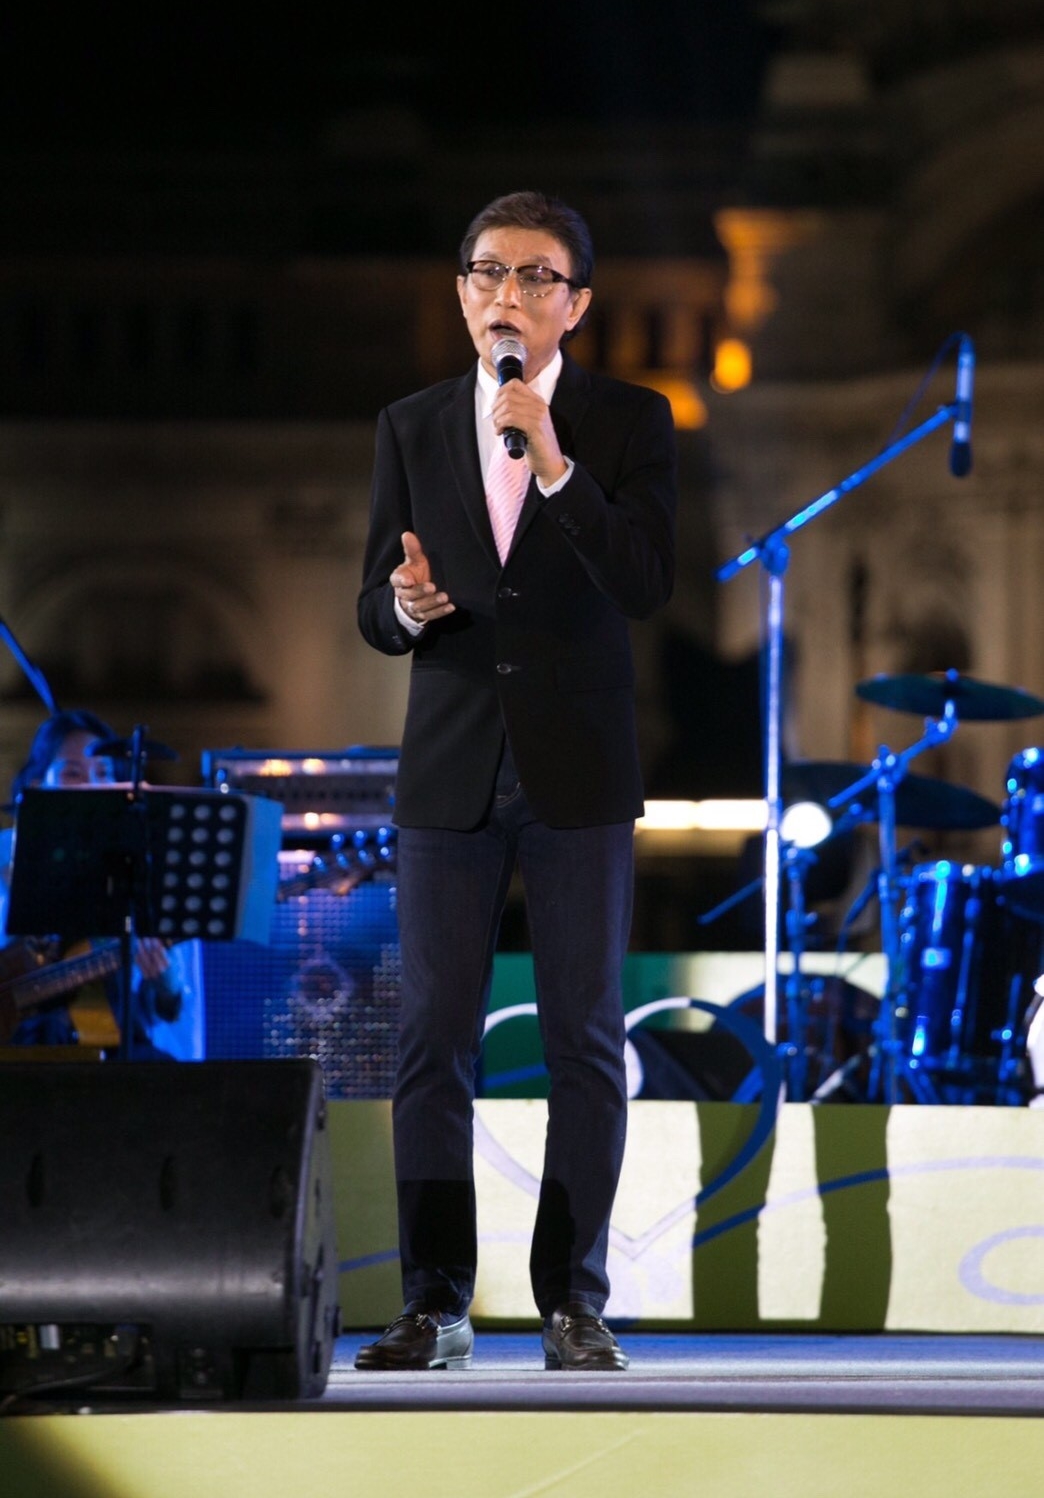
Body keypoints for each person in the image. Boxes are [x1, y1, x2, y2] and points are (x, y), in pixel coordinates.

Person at [355, 190, 677, 1370]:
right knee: (433, 1040)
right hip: (450, 767)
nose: (508, 293)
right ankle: (434, 1301)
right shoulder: (409, 424)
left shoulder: (630, 420)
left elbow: (645, 581)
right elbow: (371, 602)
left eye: (536, 275)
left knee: (583, 1038)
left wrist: (554, 466)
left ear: (575, 304)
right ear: (460, 294)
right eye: (489, 271)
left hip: (577, 766)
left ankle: (571, 1300)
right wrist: (403, 605)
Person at [0, 709, 204, 1061]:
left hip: (118, 1050)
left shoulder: (137, 867)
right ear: (36, 783)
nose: (90, 786)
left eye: (102, 773)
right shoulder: (6, 854)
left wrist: (165, 981)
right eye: (72, 773)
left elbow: (170, 1011)